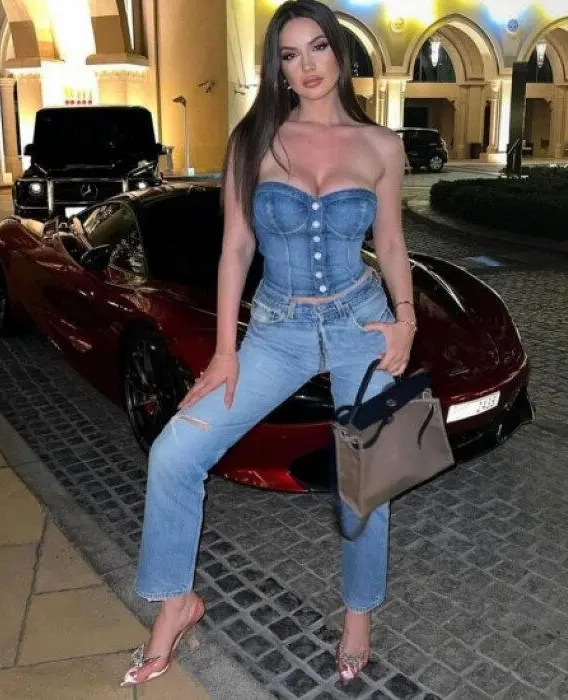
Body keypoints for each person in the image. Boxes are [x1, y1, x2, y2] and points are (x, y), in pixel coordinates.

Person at [121, 0, 416, 687]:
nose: (307, 66)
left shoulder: (381, 146)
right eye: (290, 54)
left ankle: (358, 615)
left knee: (369, 474)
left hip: (361, 322)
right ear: (277, 68)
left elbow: (392, 242)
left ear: (339, 52)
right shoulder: (253, 141)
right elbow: (235, 248)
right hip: (278, 330)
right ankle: (175, 603)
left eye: (318, 48)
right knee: (175, 452)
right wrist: (225, 351)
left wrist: (405, 320)